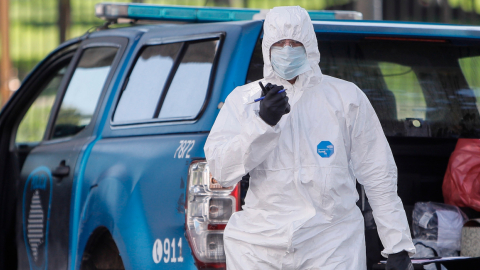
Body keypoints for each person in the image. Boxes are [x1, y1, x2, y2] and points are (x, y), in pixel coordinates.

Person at [204, 6, 415, 270]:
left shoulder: (345, 98)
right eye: (280, 43)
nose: (288, 49)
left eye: (295, 42)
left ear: (310, 45)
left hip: (331, 245)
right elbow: (221, 171)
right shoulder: (244, 101)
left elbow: (378, 174)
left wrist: (397, 246)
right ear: (268, 46)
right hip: (259, 247)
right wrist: (262, 125)